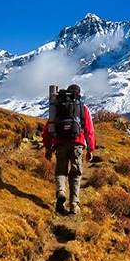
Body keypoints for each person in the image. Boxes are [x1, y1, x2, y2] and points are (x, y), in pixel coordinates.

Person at [42, 84, 95, 215]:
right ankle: (74, 204)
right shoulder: (82, 108)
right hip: (77, 143)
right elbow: (89, 130)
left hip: (60, 143)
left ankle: (61, 191)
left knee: (60, 171)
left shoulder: (58, 106)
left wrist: (48, 147)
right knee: (76, 173)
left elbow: (49, 127)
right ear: (78, 93)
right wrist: (90, 149)